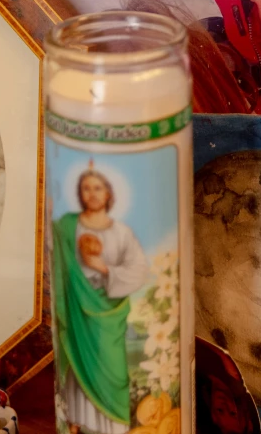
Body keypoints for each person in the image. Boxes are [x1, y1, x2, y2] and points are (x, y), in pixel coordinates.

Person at [52, 166, 149, 434]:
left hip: (107, 313)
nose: (92, 194)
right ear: (80, 193)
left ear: (108, 193)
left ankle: (114, 428)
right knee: (76, 367)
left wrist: (102, 267)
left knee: (114, 371)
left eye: (98, 188)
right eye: (86, 188)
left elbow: (139, 270)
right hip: (76, 312)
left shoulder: (121, 233)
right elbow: (57, 260)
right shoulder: (66, 227)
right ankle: (76, 425)